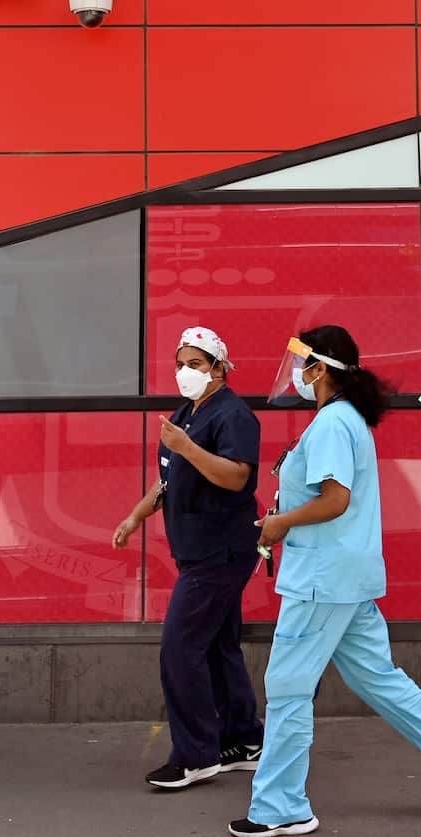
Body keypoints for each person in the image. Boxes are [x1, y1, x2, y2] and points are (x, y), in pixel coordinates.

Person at [228, 326, 421, 837]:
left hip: (322, 581)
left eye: (302, 362)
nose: (296, 373)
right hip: (343, 578)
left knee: (287, 688)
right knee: (379, 679)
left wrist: (282, 523)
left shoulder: (332, 424)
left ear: (322, 368)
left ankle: (282, 806)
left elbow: (336, 500)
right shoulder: (344, 420)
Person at [113, 326, 266, 790]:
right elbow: (169, 478)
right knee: (218, 646)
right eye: (180, 364)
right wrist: (136, 516)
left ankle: (197, 754)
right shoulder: (185, 413)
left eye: (195, 364)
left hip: (219, 552)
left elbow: (237, 477)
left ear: (219, 368)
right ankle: (243, 740)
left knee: (180, 648)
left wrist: (187, 447)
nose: (185, 372)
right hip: (196, 550)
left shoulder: (232, 416)